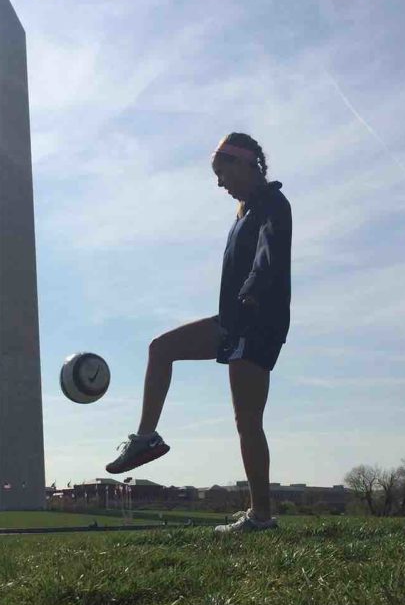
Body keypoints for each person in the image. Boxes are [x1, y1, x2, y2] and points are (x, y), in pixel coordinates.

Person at [105, 132, 292, 534]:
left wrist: (254, 289)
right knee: (161, 348)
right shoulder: (242, 210)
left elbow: (270, 251)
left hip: (258, 319)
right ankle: (146, 438)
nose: (219, 181)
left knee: (247, 420)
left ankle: (261, 517)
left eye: (222, 171)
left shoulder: (273, 203)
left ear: (246, 164)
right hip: (233, 317)